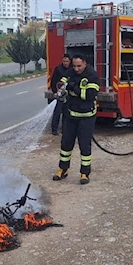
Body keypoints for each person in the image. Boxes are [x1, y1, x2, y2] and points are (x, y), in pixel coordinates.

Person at [52, 54, 100, 185]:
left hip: (86, 117)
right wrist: (62, 87)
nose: (76, 69)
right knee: (66, 145)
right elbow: (62, 81)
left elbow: (89, 95)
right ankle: (63, 169)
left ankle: (85, 173)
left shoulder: (92, 76)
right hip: (70, 116)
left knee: (84, 146)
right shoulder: (70, 72)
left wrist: (73, 88)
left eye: (79, 66)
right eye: (74, 66)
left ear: (85, 64)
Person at [48, 54, 71, 135]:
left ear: (70, 61)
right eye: (64, 61)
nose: (65, 63)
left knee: (66, 114)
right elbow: (53, 81)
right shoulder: (58, 69)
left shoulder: (72, 69)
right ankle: (54, 130)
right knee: (57, 112)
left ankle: (65, 130)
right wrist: (55, 92)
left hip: (68, 95)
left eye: (67, 61)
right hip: (60, 94)